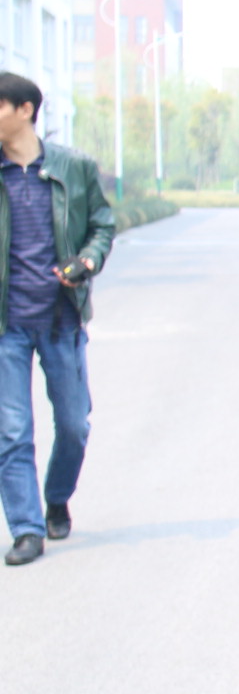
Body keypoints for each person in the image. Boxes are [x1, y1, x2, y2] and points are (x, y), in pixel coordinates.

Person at [0, 74, 113, 566]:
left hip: (60, 320)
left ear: (25, 110)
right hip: (6, 325)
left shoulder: (74, 166)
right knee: (12, 431)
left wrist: (87, 260)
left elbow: (102, 226)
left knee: (73, 426)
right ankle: (26, 529)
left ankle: (57, 497)